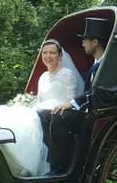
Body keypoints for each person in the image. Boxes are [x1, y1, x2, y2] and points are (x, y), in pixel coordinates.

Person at [0, 39, 83, 177]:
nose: (48, 56)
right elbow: (40, 100)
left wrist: (64, 105)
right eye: (45, 53)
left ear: (60, 55)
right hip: (40, 109)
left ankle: (38, 164)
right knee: (12, 115)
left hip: (58, 111)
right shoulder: (43, 77)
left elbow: (71, 99)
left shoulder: (67, 74)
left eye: (52, 53)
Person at [40, 17, 111, 173]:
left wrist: (72, 103)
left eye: (85, 40)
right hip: (88, 110)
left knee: (59, 116)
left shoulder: (107, 65)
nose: (83, 44)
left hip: (98, 113)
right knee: (44, 114)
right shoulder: (96, 64)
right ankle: (51, 160)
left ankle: (61, 167)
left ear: (95, 42)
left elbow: (97, 92)